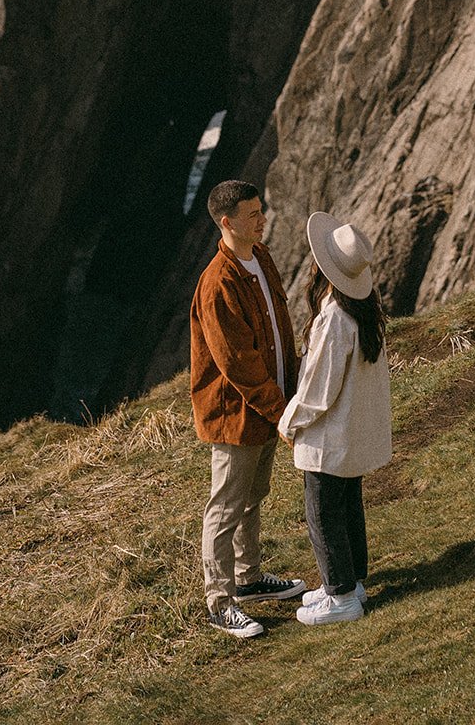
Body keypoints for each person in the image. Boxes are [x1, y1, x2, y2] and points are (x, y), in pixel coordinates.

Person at [190, 179, 306, 638]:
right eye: (253, 214)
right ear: (227, 222)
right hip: (236, 414)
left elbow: (279, 330)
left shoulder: (261, 258)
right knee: (225, 505)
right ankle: (219, 601)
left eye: (262, 210)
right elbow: (237, 363)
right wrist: (283, 411)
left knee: (253, 494)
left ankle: (249, 579)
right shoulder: (217, 282)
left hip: (266, 405)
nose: (263, 219)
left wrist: (289, 391)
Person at [278, 213, 392, 626]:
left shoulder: (334, 320)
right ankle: (350, 582)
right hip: (354, 433)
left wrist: (289, 421)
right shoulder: (365, 311)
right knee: (348, 506)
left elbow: (317, 391)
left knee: (323, 513)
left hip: (330, 437)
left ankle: (341, 596)